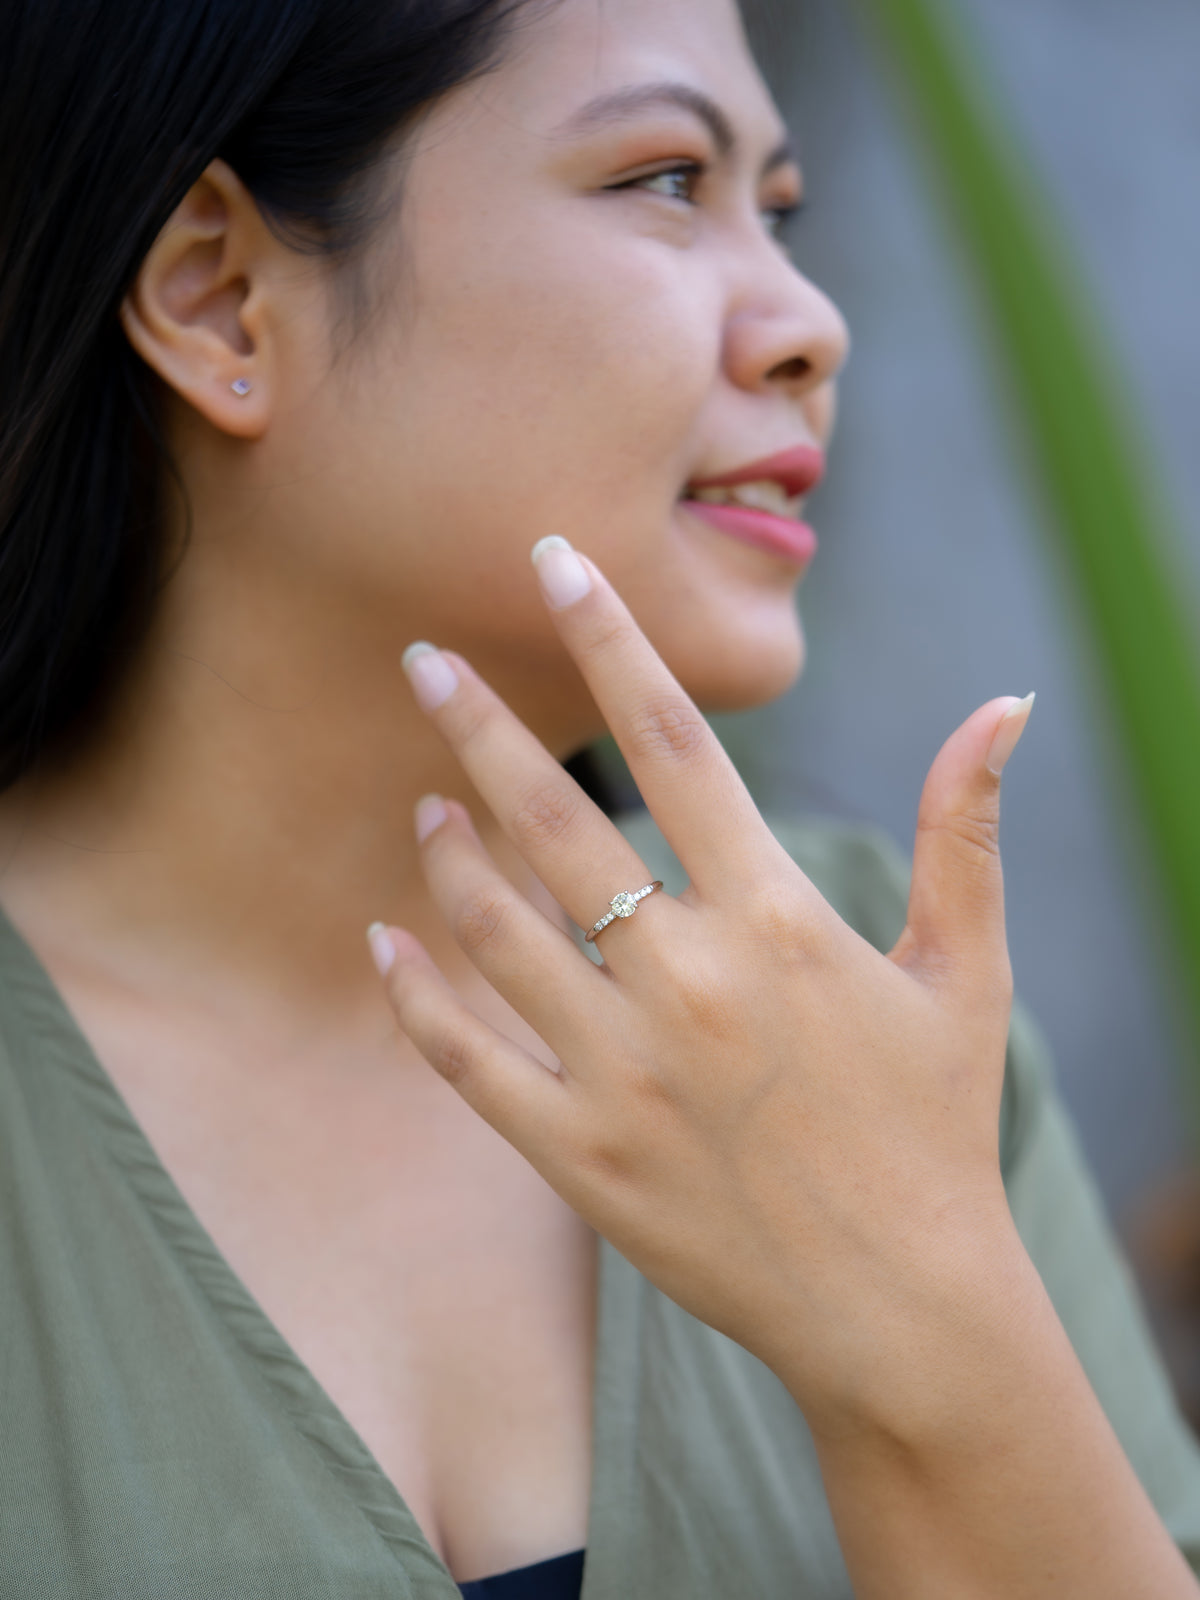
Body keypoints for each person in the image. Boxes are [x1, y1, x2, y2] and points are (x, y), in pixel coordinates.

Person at [1, 0, 1199, 1594]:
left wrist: (925, 1317)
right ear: (220, 294)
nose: (809, 326)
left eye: (782, 211)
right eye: (666, 179)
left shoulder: (879, 987)